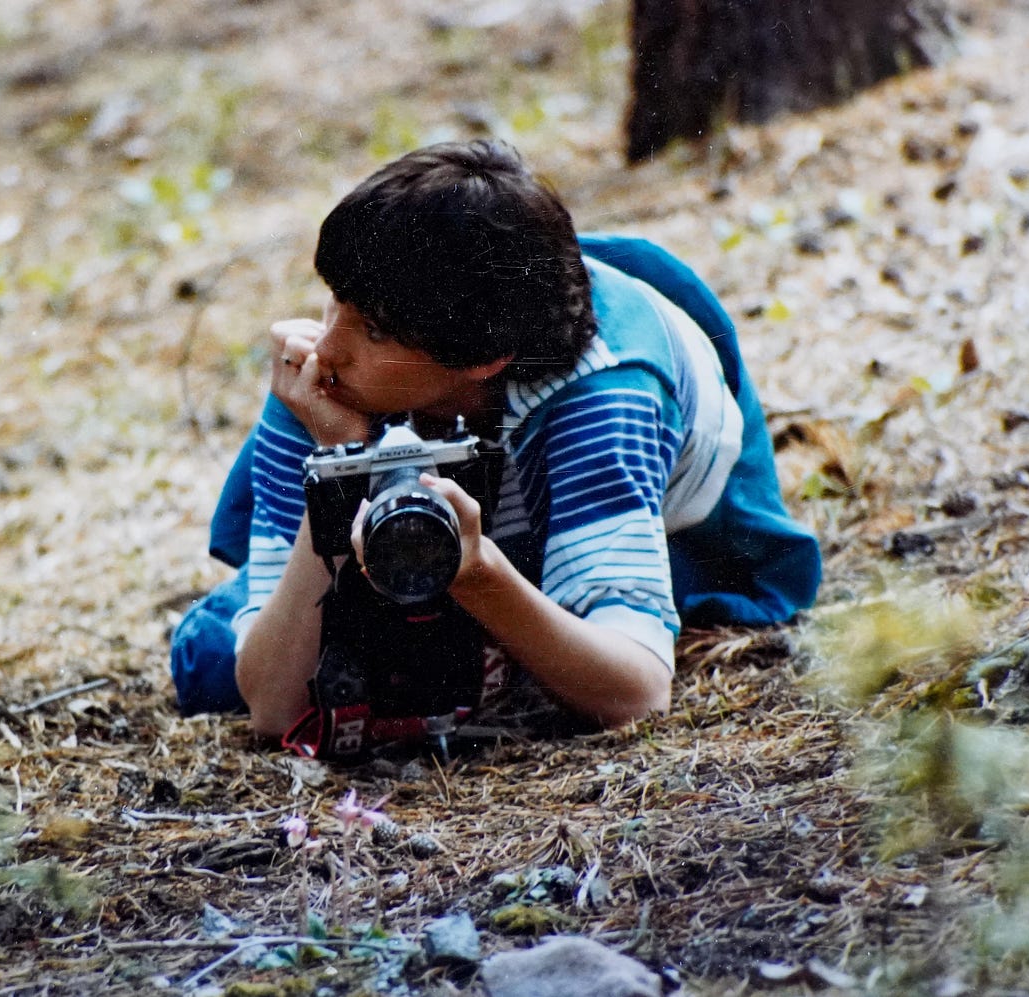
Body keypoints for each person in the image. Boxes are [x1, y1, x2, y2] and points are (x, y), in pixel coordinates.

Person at [170, 140, 821, 755]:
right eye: (336, 298)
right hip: (487, 529)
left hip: (657, 530)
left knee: (481, 662)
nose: (328, 347)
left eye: (371, 328)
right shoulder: (329, 376)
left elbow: (639, 692)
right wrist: (340, 468)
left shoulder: (601, 396)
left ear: (484, 356)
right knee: (209, 663)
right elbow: (274, 709)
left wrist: (478, 576)